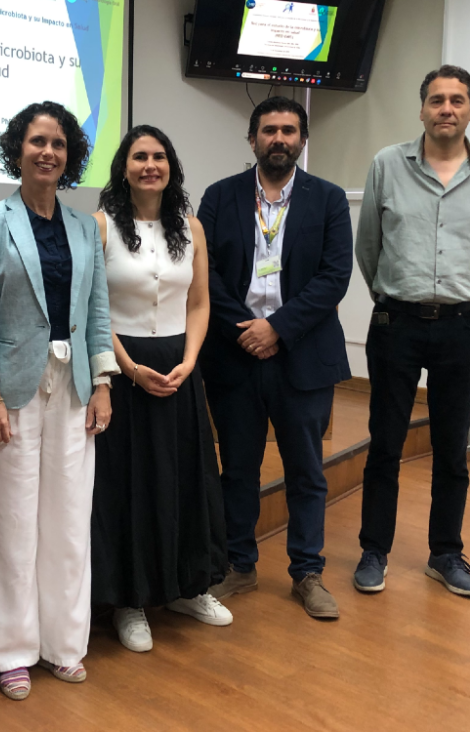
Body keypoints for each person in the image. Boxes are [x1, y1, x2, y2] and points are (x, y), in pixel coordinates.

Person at [0, 101, 118, 700]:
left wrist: (103, 382)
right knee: (10, 519)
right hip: (15, 390)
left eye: (58, 143)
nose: (47, 152)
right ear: (17, 150)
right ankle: (9, 651)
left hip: (75, 386)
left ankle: (61, 643)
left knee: (68, 519)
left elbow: (98, 310)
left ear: (70, 156)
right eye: (36, 142)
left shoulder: (85, 226)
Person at [353, 65, 470, 598]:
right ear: (422, 109)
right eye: (438, 100)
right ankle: (373, 550)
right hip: (395, 321)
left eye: (458, 100)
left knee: (450, 446)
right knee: (386, 443)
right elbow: (368, 245)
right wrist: (390, 293)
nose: (447, 108)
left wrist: (465, 291)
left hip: (462, 325)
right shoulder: (386, 164)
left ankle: (445, 553)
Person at [198, 96, 353, 619]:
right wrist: (247, 329)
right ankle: (239, 565)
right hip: (235, 354)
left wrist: (277, 330)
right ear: (252, 140)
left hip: (301, 357)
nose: (279, 139)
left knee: (306, 470)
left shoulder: (328, 200)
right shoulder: (219, 198)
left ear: (302, 140)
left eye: (289, 130)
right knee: (237, 469)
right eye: (269, 130)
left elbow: (334, 278)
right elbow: (206, 274)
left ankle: (307, 572)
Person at [90, 125, 231, 653]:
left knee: (185, 478)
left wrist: (191, 360)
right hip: (124, 367)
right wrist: (126, 367)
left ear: (171, 165)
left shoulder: (190, 227)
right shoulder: (100, 225)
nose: (150, 164)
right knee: (129, 483)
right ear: (123, 167)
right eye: (139, 156)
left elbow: (199, 303)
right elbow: (93, 306)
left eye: (159, 156)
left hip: (179, 365)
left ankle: (186, 587)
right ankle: (130, 601)